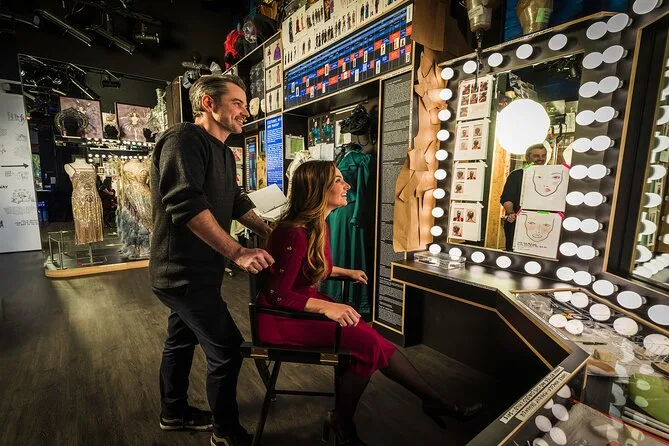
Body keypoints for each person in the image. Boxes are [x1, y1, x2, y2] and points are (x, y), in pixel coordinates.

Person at [257, 161, 482, 445]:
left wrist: (344, 272)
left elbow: (308, 268)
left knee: (373, 342)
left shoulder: (317, 225)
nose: (347, 185)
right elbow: (277, 294)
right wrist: (328, 306)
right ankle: (344, 420)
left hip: (300, 307)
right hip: (280, 319)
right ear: (317, 189)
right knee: (370, 345)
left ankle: (430, 401)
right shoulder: (293, 232)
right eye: (338, 180)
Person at [150, 74, 274, 446]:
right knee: (228, 349)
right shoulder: (183, 139)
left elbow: (234, 200)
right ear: (208, 103)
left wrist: (267, 230)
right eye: (237, 103)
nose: (245, 112)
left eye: (245, 104)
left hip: (201, 272)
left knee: (180, 340)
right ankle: (225, 431)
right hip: (181, 274)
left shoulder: (222, 151)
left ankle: (173, 412)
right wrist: (238, 251)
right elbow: (186, 205)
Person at [500, 144, 547, 251]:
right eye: (536, 156)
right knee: (516, 253)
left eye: (543, 155)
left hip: (542, 222)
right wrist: (511, 213)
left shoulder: (551, 175)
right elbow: (507, 198)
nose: (541, 159)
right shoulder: (516, 176)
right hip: (518, 223)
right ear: (527, 157)